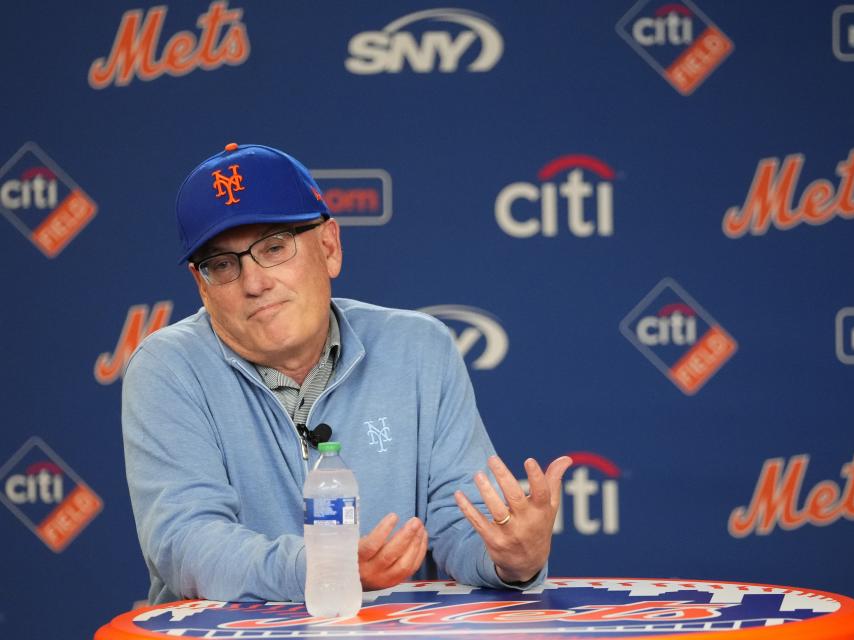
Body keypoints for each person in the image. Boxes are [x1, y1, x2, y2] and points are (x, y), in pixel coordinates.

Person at [121, 142, 572, 604]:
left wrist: (512, 560)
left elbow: (463, 523)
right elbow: (187, 546)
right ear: (202, 286)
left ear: (330, 247)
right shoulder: (168, 368)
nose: (254, 283)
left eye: (275, 247)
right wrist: (323, 566)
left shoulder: (419, 348)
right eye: (222, 264)